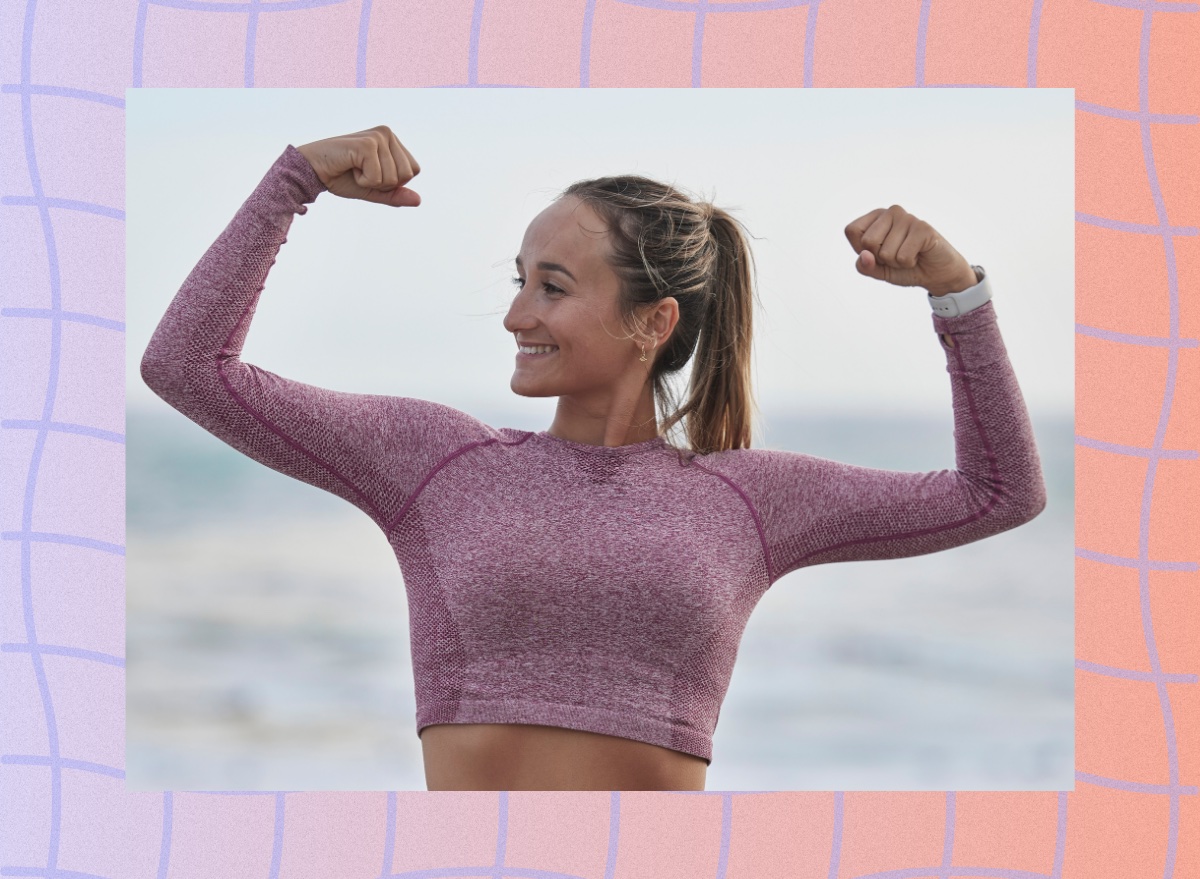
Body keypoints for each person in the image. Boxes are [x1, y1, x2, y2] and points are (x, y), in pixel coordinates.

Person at [140, 125, 1047, 792]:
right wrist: (291, 182)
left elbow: (999, 492)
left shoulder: (747, 499)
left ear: (655, 322)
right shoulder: (433, 460)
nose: (516, 314)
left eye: (554, 286)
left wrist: (956, 293)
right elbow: (187, 368)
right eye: (519, 280)